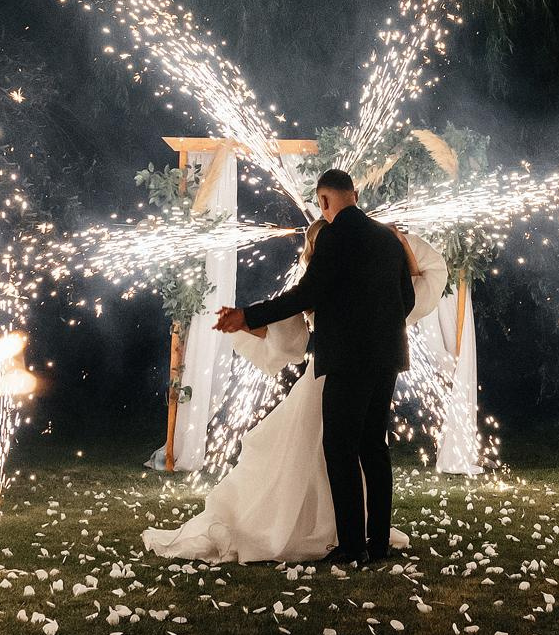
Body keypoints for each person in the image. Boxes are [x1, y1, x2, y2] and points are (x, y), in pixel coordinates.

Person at [143, 215, 446, 565]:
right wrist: (248, 322)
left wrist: (402, 244)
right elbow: (290, 331)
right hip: (326, 377)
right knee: (342, 454)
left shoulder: (359, 276)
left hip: (341, 374)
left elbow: (414, 286)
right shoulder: (324, 280)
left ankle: (352, 540)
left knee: (346, 453)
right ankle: (353, 538)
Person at [212, 168, 416, 565]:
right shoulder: (387, 238)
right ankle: (378, 544)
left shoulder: (336, 235)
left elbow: (307, 293)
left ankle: (353, 546)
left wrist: (248, 315)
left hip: (347, 358)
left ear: (324, 201)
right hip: (388, 356)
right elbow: (405, 299)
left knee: (340, 448)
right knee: (374, 448)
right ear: (353, 194)